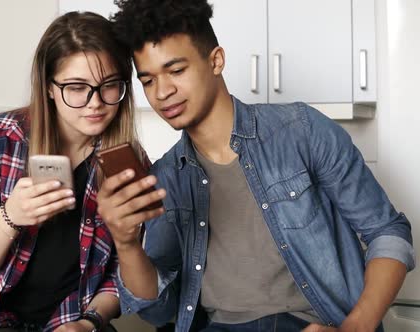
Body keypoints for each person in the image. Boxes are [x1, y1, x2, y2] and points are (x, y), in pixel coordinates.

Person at [96, 0, 416, 331]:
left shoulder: (301, 130)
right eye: (148, 81)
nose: (162, 92)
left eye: (176, 70)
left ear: (216, 60)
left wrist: (355, 327)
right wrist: (127, 242)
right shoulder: (165, 178)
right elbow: (159, 311)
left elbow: (388, 232)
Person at [0, 11, 148, 332]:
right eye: (76, 87)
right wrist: (11, 215)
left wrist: (89, 322)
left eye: (109, 85)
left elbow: (119, 276)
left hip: (74, 321)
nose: (94, 103)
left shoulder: (126, 160)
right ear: (49, 87)